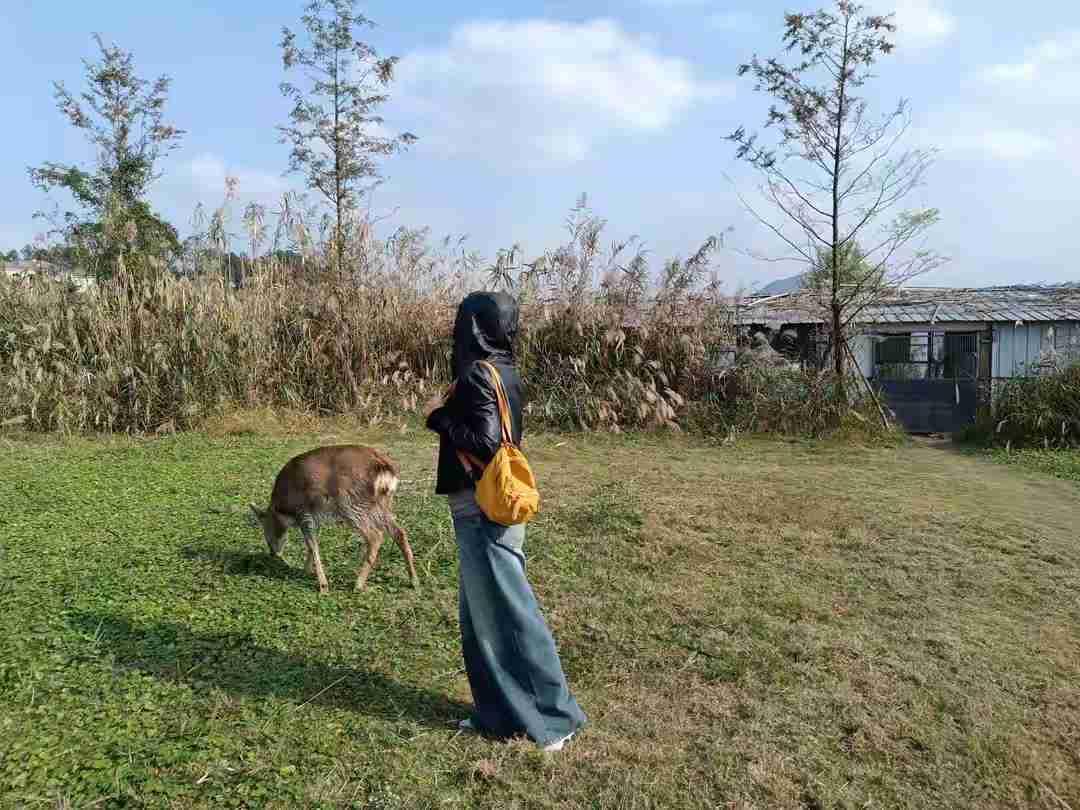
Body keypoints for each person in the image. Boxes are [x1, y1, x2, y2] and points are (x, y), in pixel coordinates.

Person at [424, 290, 586, 753]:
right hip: (488, 504)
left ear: (471, 328)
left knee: (510, 614)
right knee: (481, 617)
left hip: (481, 507)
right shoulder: (504, 370)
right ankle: (497, 715)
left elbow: (486, 442)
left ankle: (554, 719)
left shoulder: (476, 373)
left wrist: (438, 418)